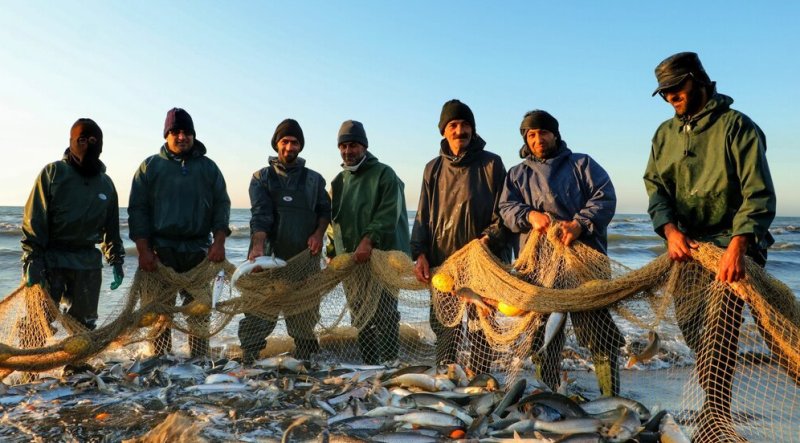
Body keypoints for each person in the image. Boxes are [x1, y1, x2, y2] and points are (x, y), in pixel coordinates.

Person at [644, 52, 776, 440]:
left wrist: (739, 246)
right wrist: (669, 230)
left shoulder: (738, 127)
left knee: (721, 328)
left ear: (698, 80)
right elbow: (656, 189)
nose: (671, 97)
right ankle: (714, 402)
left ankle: (716, 415)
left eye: (676, 88)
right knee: (694, 329)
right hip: (687, 247)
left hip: (734, 244)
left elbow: (759, 194)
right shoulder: (663, 136)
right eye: (664, 92)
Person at [498, 110, 624, 396]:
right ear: (526, 140)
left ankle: (611, 398)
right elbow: (506, 210)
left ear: (555, 134)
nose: (538, 138)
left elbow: (605, 197)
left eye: (544, 132)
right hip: (539, 269)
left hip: (584, 267)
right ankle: (549, 396)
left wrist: (579, 225)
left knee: (599, 334)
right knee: (543, 339)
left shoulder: (582, 164)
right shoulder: (517, 174)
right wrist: (529, 215)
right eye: (531, 134)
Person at [410, 99, 510, 374]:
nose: (459, 130)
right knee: (445, 326)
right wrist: (419, 254)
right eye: (453, 125)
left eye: (465, 125)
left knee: (482, 325)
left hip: (484, 262)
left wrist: (488, 240)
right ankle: (446, 379)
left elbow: (503, 214)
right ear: (443, 131)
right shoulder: (432, 168)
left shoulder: (492, 164)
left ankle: (479, 379)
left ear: (473, 129)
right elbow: (422, 215)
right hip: (444, 264)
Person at [21, 118, 125, 374]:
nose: (87, 144)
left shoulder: (106, 184)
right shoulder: (53, 173)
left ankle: (75, 373)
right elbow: (34, 219)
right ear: (71, 142)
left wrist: (117, 260)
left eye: (93, 141)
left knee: (84, 324)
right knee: (39, 321)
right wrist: (32, 260)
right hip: (51, 260)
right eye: (82, 139)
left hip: (88, 263)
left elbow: (111, 229)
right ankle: (27, 373)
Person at [128, 108, 231, 358]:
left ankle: (198, 358)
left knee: (199, 310)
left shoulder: (208, 168)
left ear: (193, 135)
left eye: (186, 132)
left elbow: (221, 205)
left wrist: (219, 242)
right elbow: (137, 210)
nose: (181, 137)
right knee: (158, 312)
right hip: (160, 252)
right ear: (166, 135)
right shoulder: (150, 166)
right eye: (175, 132)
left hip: (198, 251)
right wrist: (143, 250)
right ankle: (160, 359)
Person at [237, 119, 331, 363]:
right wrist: (258, 246)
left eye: (295, 142)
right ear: (276, 144)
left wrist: (318, 234)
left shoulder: (315, 180)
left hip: (304, 262)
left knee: (304, 318)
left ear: (301, 146)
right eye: (285, 141)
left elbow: (324, 212)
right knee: (259, 314)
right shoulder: (261, 178)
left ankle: (307, 361)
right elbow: (261, 214)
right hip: (267, 260)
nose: (290, 147)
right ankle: (248, 358)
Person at [328, 120, 410, 365]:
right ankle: (370, 365)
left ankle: (390, 364)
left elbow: (388, 213)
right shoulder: (338, 181)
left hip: (383, 258)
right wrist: (331, 251)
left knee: (385, 313)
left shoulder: (384, 173)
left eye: (353, 145)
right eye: (342, 146)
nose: (347, 151)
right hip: (352, 263)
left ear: (364, 146)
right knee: (360, 315)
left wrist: (368, 240)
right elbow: (334, 223)